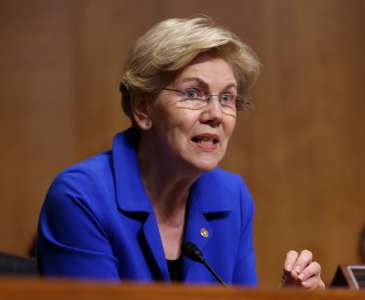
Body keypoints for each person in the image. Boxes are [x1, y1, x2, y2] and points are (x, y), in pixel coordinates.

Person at [37, 16, 324, 288]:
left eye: (227, 98)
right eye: (193, 94)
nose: (216, 115)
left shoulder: (231, 196)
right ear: (143, 108)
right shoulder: (81, 198)